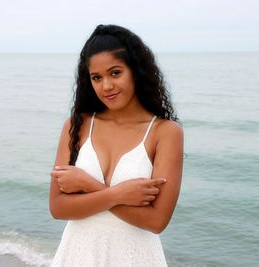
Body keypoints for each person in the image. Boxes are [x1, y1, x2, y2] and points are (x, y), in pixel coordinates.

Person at [49, 24, 183, 267]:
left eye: (115, 73)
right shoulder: (77, 125)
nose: (106, 86)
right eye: (96, 78)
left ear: (135, 71)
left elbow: (156, 221)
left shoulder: (165, 132)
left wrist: (88, 185)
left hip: (136, 259)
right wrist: (118, 194)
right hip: (77, 257)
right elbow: (58, 207)